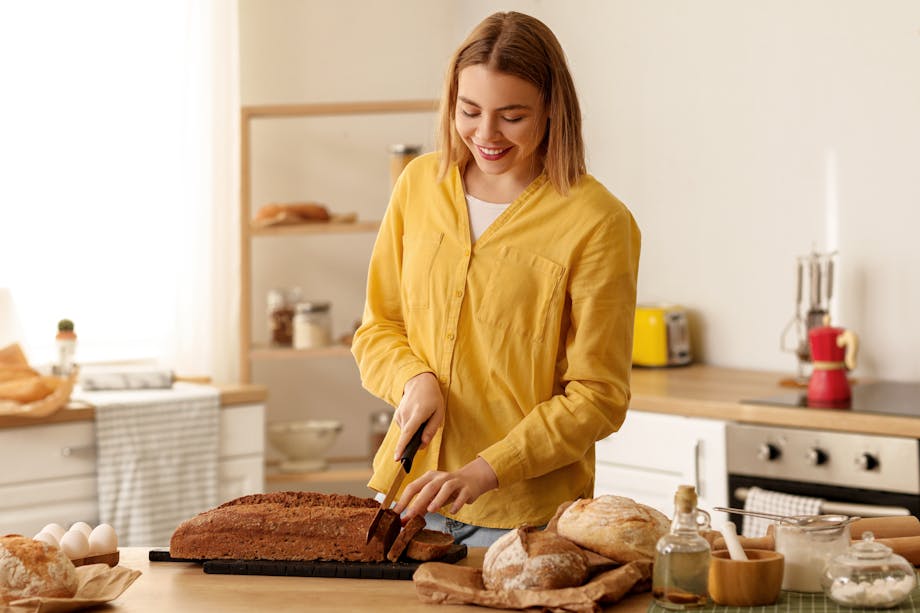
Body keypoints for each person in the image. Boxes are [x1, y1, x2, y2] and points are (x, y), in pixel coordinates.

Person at [351, 11, 641, 547]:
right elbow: (378, 329)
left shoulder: (599, 221)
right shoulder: (419, 184)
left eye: (512, 116)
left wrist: (484, 471)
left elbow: (598, 395)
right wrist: (414, 379)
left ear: (552, 109)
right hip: (404, 498)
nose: (486, 134)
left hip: (520, 520)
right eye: (470, 111)